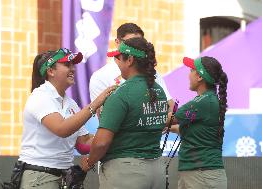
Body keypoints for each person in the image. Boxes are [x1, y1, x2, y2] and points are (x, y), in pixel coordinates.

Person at [18, 48, 115, 189]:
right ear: (50, 71)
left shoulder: (71, 103)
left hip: (65, 177)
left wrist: (113, 132)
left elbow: (83, 143)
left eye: (73, 65)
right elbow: (62, 129)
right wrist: (96, 103)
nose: (73, 69)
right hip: (39, 176)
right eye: (67, 65)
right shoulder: (40, 96)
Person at [81, 37, 169, 189]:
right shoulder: (159, 91)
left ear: (130, 60)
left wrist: (89, 162)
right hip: (156, 169)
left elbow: (102, 141)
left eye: (118, 57)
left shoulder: (121, 94)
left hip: (126, 172)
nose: (116, 61)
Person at [168, 56, 228, 189]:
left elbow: (169, 119)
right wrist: (171, 129)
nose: (188, 75)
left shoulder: (203, 102)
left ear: (200, 77)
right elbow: (195, 132)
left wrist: (144, 116)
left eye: (191, 70)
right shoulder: (209, 100)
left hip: (201, 176)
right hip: (202, 175)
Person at [89, 23, 174, 116]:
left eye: (140, 43)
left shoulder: (151, 72)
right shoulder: (100, 77)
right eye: (130, 43)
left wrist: (155, 123)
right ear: (117, 42)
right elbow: (103, 118)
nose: (136, 47)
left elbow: (170, 106)